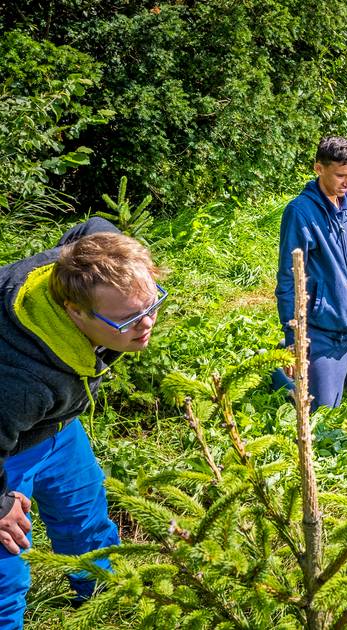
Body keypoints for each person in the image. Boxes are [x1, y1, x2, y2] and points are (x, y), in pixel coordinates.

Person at [0, 219, 164, 626]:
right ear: (74, 311)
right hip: (7, 446)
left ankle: (104, 604)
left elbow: (93, 226)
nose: (147, 324)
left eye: (152, 305)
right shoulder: (20, 381)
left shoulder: (82, 265)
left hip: (54, 428)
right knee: (6, 568)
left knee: (86, 522)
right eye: (128, 319)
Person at [273, 136, 347, 409]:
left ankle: (339, 369)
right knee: (320, 407)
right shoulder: (300, 212)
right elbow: (289, 279)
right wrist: (294, 340)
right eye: (340, 176)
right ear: (319, 169)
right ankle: (277, 369)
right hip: (324, 330)